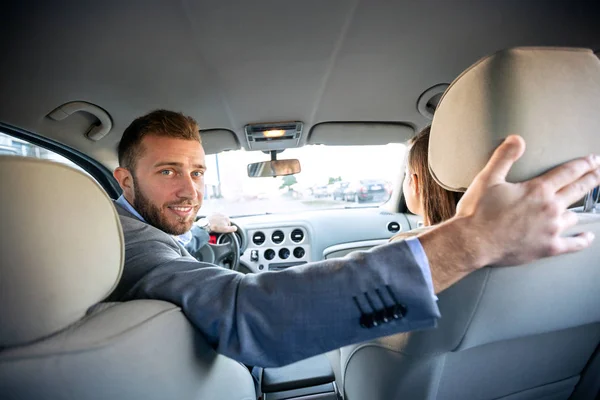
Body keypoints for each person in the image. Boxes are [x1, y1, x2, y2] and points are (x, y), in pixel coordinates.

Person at [109, 109, 600, 368]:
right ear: (125, 181)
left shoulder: (142, 229)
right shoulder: (128, 245)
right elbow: (253, 317)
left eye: (197, 171)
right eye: (168, 171)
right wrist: (472, 241)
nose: (190, 189)